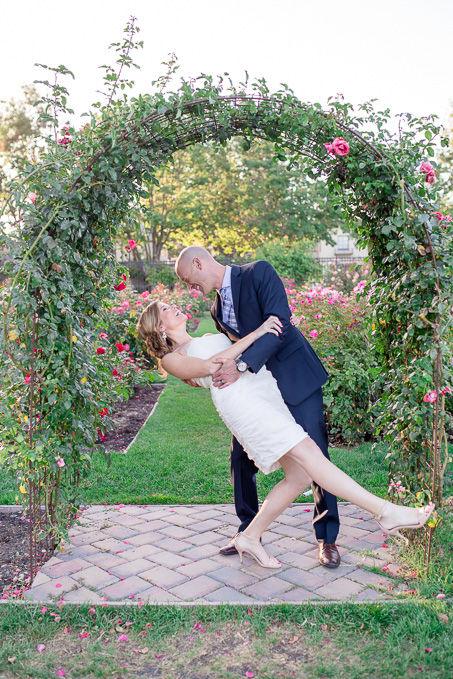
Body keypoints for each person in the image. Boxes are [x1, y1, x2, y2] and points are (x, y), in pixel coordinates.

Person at [136, 299, 435, 570]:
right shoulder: (172, 359)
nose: (174, 305)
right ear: (160, 327)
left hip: (264, 397)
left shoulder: (203, 338)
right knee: (310, 455)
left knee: (300, 477)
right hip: (245, 406)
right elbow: (212, 364)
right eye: (165, 308)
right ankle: (384, 512)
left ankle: (250, 536)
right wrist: (258, 333)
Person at [175, 247, 341, 568]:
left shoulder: (258, 272)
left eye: (187, 279)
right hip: (260, 390)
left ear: (199, 263)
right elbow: (233, 345)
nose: (188, 286)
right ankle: (247, 532)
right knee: (240, 457)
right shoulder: (216, 309)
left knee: (316, 456)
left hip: (295, 377)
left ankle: (327, 538)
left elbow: (279, 323)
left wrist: (241, 366)